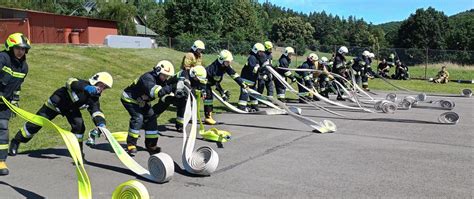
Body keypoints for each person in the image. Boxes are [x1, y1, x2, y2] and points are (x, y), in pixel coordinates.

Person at [9, 72, 113, 158]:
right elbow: (70, 82)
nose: (102, 89)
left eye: (105, 88)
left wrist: (101, 124)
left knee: (79, 127)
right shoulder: (80, 83)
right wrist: (86, 88)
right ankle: (16, 141)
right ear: (96, 80)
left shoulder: (94, 98)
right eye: (101, 85)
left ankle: (77, 152)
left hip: (71, 110)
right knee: (35, 124)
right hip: (55, 105)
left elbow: (96, 111)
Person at [121, 60, 175, 156]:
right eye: (164, 75)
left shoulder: (161, 80)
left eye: (167, 76)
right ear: (158, 71)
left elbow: (165, 94)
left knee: (152, 117)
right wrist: (172, 87)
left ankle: (151, 145)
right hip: (129, 99)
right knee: (138, 118)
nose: (165, 78)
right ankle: (131, 144)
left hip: (142, 101)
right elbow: (156, 92)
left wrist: (177, 93)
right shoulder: (147, 78)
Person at [0, 33, 31, 175]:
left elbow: (17, 87)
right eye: (18, 48)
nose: (20, 51)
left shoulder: (24, 68)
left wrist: (15, 101)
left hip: (4, 104)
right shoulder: (2, 58)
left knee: (3, 130)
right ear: (10, 47)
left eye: (23, 49)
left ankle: (1, 161)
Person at [153, 64, 208, 131]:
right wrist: (194, 93)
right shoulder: (184, 74)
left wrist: (203, 91)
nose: (198, 80)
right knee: (162, 105)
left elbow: (203, 84)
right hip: (169, 91)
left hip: (180, 93)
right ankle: (149, 119)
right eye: (198, 79)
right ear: (194, 74)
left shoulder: (196, 78)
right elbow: (187, 87)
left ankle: (180, 125)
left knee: (183, 103)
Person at [201, 50, 247, 124]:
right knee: (208, 98)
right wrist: (222, 93)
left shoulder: (225, 66)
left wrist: (242, 84)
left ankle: (208, 117)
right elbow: (216, 83)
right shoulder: (215, 69)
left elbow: (234, 75)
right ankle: (208, 118)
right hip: (203, 83)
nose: (229, 63)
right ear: (222, 60)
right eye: (227, 61)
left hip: (210, 83)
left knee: (209, 98)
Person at [238, 43, 267, 112]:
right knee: (245, 94)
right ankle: (241, 107)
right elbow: (254, 69)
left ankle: (254, 106)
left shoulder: (257, 58)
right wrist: (262, 69)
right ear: (255, 50)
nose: (262, 54)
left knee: (254, 93)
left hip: (252, 80)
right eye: (260, 52)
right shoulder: (252, 58)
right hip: (246, 80)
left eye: (262, 52)